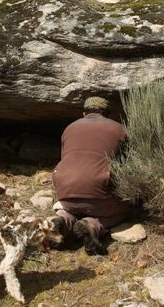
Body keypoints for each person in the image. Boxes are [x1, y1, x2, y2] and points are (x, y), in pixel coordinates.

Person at [52, 96, 131, 255]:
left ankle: (63, 220)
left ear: (83, 113)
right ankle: (92, 224)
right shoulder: (119, 129)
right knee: (124, 210)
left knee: (74, 207)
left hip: (65, 191)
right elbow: (127, 166)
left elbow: (65, 158)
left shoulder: (69, 128)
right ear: (107, 114)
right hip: (98, 196)